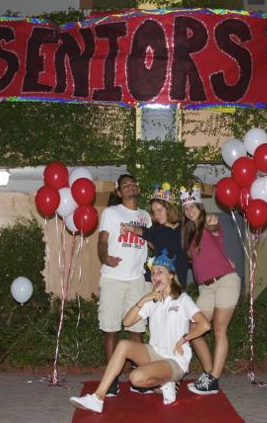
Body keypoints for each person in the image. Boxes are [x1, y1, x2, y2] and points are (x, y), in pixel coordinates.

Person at [70, 250, 211, 413]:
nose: (155, 276)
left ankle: (167, 380)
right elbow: (127, 322)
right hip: (154, 353)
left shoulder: (182, 299)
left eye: (160, 272)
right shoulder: (153, 300)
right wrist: (145, 299)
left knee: (136, 378)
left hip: (175, 360)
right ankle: (97, 398)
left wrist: (184, 339)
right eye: (153, 273)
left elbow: (204, 325)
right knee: (123, 345)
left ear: (171, 275)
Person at [180, 185, 241, 395]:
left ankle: (214, 380)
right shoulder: (188, 233)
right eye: (186, 208)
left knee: (218, 329)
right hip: (206, 288)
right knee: (193, 329)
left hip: (225, 281)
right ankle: (208, 373)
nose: (189, 210)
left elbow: (214, 228)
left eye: (193, 206)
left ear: (200, 205)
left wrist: (212, 224)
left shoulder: (208, 222)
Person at [96, 173, 152, 396]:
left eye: (132, 184)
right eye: (125, 185)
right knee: (111, 329)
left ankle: (139, 379)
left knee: (137, 330)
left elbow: (153, 242)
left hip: (137, 280)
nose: (130, 187)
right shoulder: (111, 213)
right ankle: (112, 379)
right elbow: (101, 242)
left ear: (137, 189)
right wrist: (105, 257)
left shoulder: (145, 216)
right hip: (112, 279)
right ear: (119, 192)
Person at [120, 182, 189, 289]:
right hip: (158, 280)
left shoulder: (184, 228)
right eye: (154, 212)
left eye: (159, 210)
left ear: (169, 208)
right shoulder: (157, 230)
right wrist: (131, 228)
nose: (156, 215)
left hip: (178, 280)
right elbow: (144, 232)